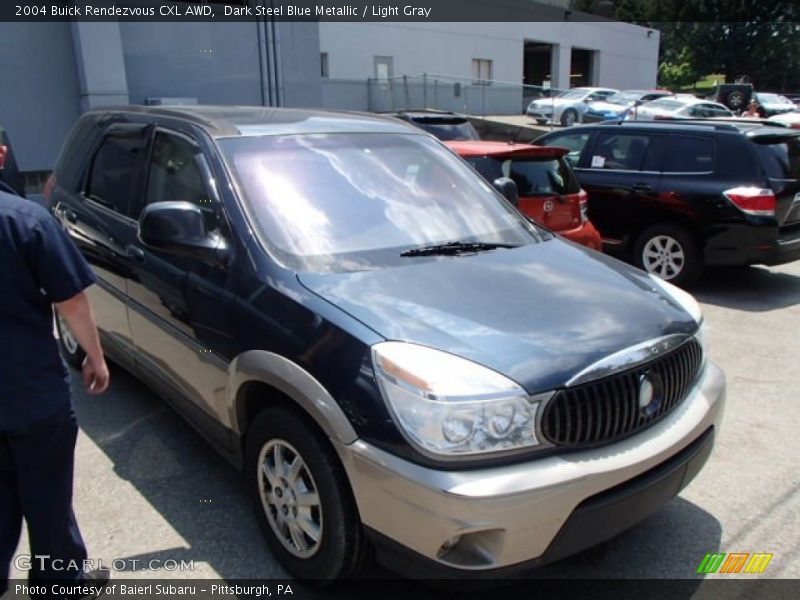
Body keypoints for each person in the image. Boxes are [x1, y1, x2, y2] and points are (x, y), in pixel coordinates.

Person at [0, 189, 110, 595]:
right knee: (46, 495)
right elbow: (71, 302)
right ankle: (61, 583)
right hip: (29, 393)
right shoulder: (25, 220)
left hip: (26, 393)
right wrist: (95, 358)